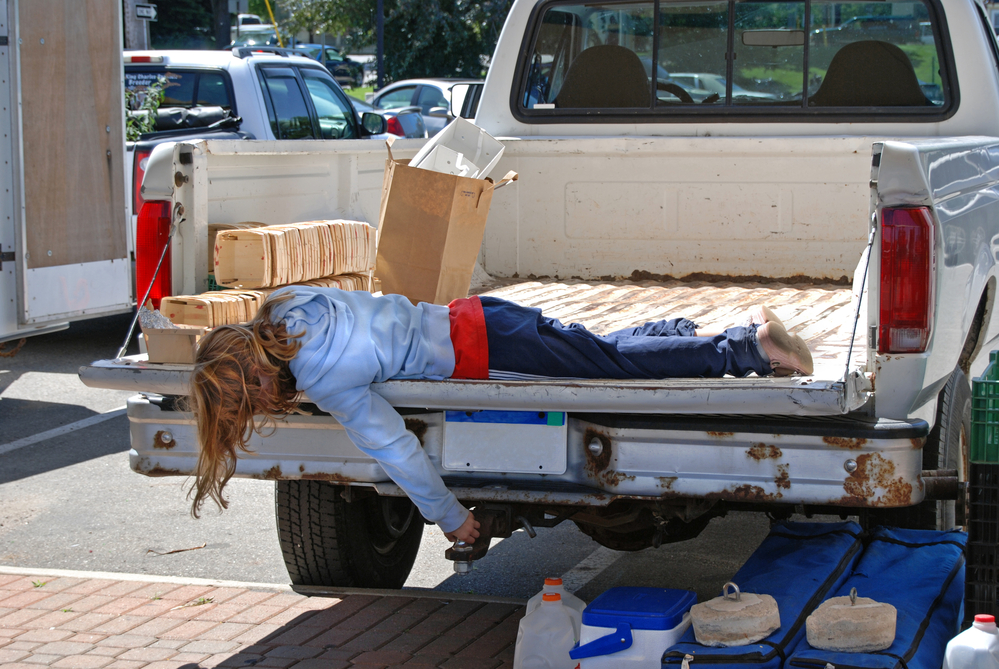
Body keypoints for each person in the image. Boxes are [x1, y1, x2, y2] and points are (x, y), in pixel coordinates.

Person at [187, 286, 812, 544]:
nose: (264, 409)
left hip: (487, 351)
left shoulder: (328, 382)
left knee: (608, 365)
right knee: (593, 352)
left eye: (251, 402)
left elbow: (397, 450)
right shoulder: (291, 307)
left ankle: (748, 348)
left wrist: (452, 519)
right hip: (478, 316)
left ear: (255, 374)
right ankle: (676, 332)